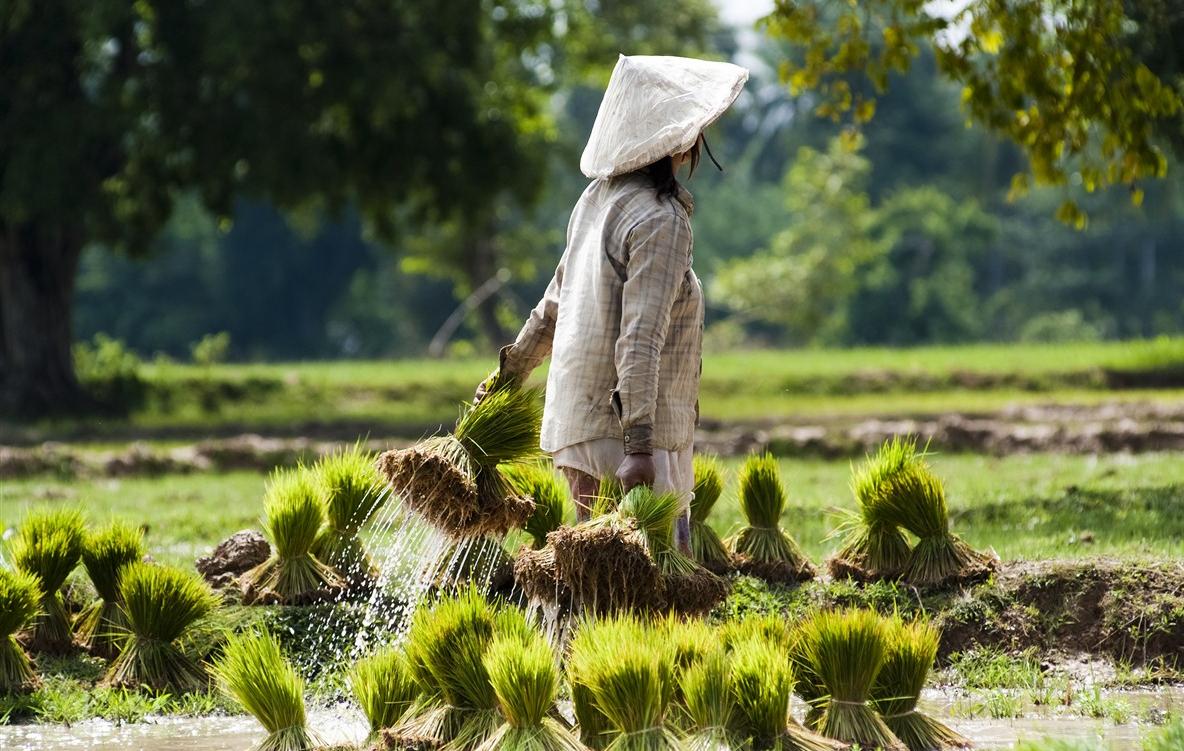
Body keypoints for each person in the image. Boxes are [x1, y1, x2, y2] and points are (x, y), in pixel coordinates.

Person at [475, 54, 748, 552]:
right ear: (676, 138)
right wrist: (639, 447)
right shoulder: (660, 220)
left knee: (595, 588)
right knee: (651, 597)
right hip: (622, 438)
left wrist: (506, 379)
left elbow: (552, 307)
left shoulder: (597, 201)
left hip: (578, 429)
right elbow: (640, 337)